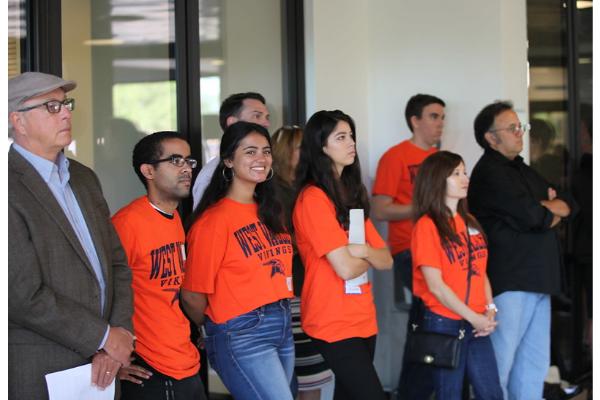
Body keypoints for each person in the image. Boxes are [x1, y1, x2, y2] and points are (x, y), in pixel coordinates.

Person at [8, 71, 134, 399]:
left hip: (103, 366)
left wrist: (115, 339)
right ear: (17, 121)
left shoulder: (84, 178)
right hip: (41, 365)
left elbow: (117, 265)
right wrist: (104, 336)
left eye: (65, 104)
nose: (65, 113)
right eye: (51, 106)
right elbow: (21, 295)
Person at [181, 121, 295, 400]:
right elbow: (193, 295)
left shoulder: (271, 211)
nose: (261, 159)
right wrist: (219, 326)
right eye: (250, 152)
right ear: (229, 160)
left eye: (266, 151)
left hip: (282, 321)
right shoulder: (213, 221)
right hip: (241, 332)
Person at [468, 101, 573, 400]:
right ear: (491, 137)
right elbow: (534, 216)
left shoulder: (522, 169)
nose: (520, 133)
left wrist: (547, 207)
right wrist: (546, 209)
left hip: (538, 279)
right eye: (512, 128)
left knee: (533, 364)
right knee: (500, 362)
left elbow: (568, 202)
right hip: (511, 279)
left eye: (520, 127)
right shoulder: (490, 172)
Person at [293, 110, 393, 400]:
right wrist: (367, 256)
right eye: (341, 137)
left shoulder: (350, 194)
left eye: (351, 136)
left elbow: (386, 260)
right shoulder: (313, 198)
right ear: (321, 146)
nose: (351, 143)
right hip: (331, 319)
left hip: (363, 315)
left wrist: (361, 250)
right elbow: (346, 269)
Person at [111, 131, 207, 399]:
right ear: (148, 171)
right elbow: (99, 291)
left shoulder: (174, 218)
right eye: (176, 161)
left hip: (185, 359)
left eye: (189, 161)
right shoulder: (127, 223)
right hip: (149, 368)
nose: (187, 168)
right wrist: (108, 355)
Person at [410, 150, 503, 399]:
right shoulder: (427, 226)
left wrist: (490, 308)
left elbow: (480, 270)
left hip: (477, 323)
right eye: (456, 173)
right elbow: (436, 286)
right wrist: (474, 317)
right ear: (437, 179)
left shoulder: (470, 220)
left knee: (491, 393)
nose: (465, 178)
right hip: (444, 322)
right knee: (448, 394)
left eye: (465, 172)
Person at [371, 93, 445, 399]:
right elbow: (380, 209)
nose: (440, 123)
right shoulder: (396, 156)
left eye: (442, 117)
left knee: (435, 321)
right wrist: (425, 207)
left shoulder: (440, 159)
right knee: (424, 321)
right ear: (414, 120)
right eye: (433, 116)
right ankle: (411, 391)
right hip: (409, 250)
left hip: (442, 250)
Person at [272, 125, 335, 399]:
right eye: (301, 147)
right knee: (306, 375)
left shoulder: (307, 189)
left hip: (311, 288)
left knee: (312, 376)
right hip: (292, 292)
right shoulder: (274, 193)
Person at [191, 92, 270, 209]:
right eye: (257, 116)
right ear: (232, 123)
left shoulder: (265, 168)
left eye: (266, 152)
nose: (266, 123)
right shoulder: (210, 176)